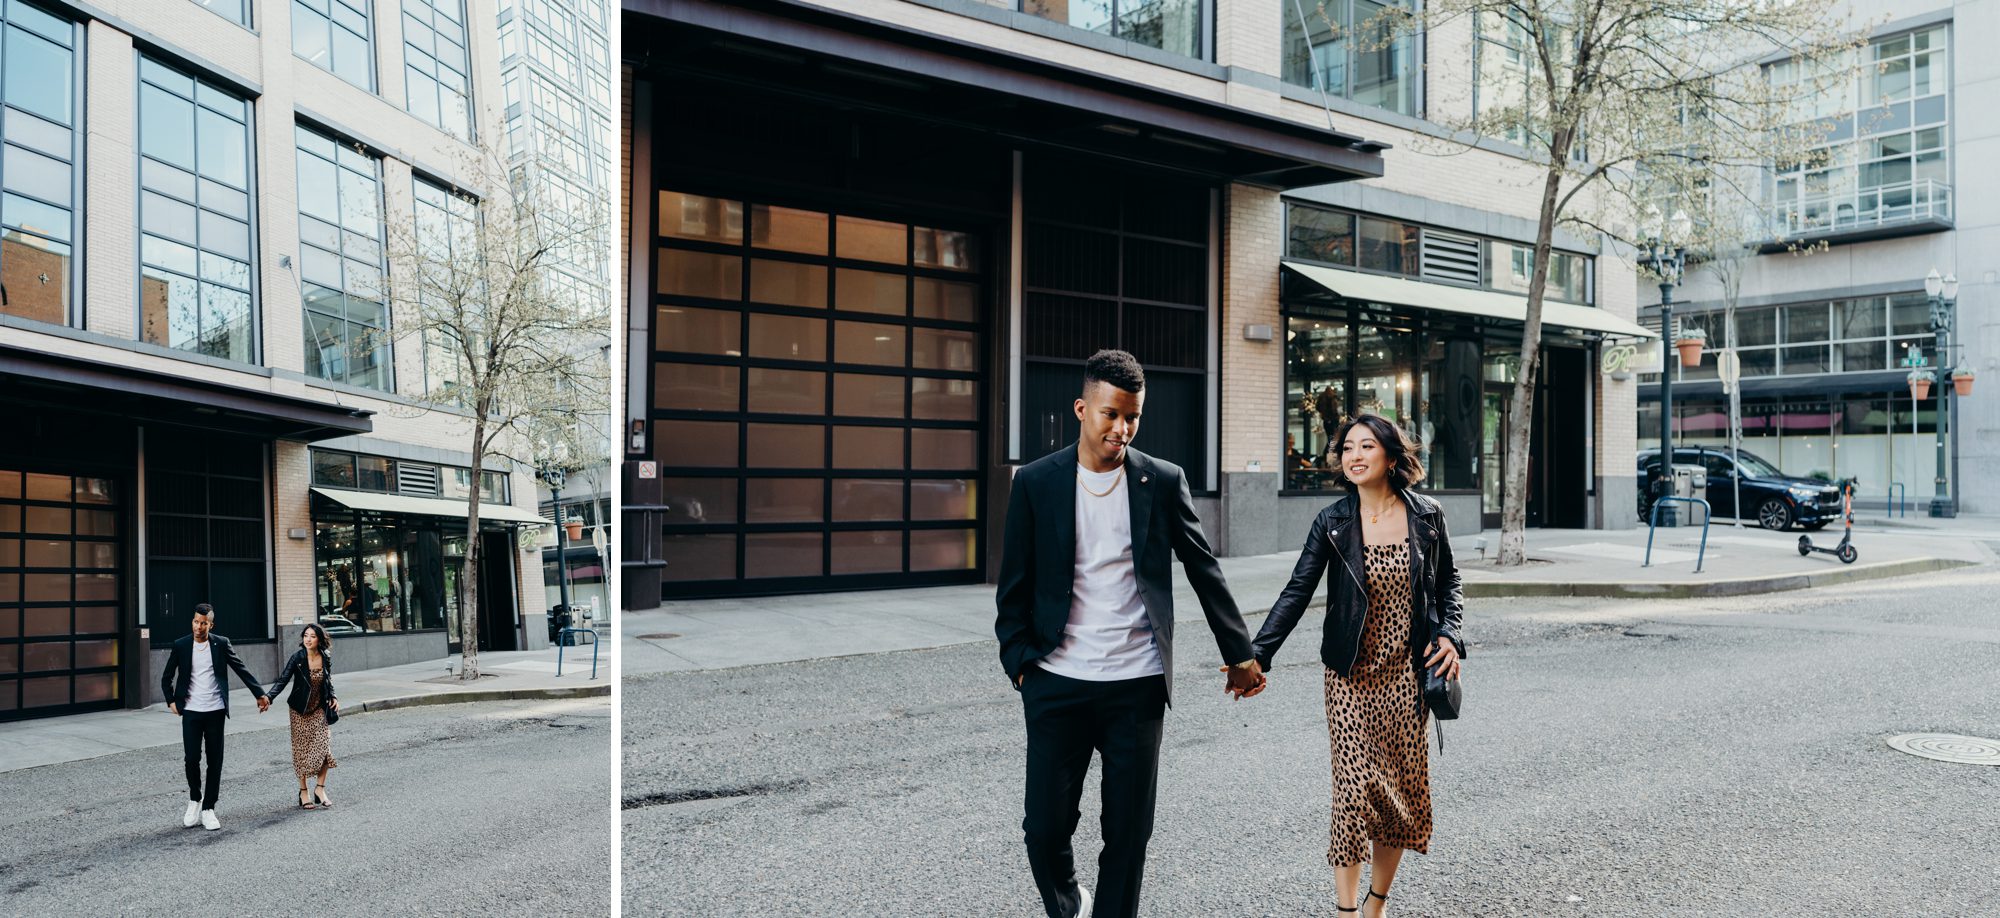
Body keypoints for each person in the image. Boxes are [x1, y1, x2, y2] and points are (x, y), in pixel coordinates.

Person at [995, 348, 1266, 918]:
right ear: (1081, 408)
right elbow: (1012, 585)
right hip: (1056, 680)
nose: (1122, 428)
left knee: (1127, 833)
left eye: (1133, 417)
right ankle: (1070, 906)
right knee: (1043, 830)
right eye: (1111, 414)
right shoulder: (1037, 483)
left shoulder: (1161, 481)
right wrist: (1020, 661)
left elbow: (1202, 566)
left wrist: (1240, 652)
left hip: (1137, 686)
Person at [1250, 413, 1465, 917]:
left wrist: (1452, 636)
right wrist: (1257, 656)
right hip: (1349, 676)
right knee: (1353, 792)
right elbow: (1297, 590)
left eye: (1367, 446)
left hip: (1407, 676)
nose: (1354, 455)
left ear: (1391, 456)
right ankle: (1346, 912)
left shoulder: (1427, 516)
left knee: (1397, 796)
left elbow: (1450, 584)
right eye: (1347, 448)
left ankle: (1377, 904)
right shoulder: (1333, 521)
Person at [160, 603, 271, 831]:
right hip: (190, 711)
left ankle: (209, 808)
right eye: (195, 622)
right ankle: (194, 800)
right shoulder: (181, 645)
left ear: (211, 624)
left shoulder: (221, 644)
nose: (198, 627)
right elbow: (166, 676)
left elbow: (240, 668)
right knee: (191, 759)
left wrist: (259, 693)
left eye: (203, 623)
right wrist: (171, 701)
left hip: (215, 711)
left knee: (214, 761)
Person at [268, 622, 340, 810]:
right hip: (299, 710)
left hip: (318, 709)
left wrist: (333, 696)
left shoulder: (325, 656)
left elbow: (328, 679)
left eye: (312, 636)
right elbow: (283, 680)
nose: (308, 639)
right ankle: (303, 791)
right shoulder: (298, 658)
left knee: (324, 749)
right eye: (305, 635)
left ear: (319, 639)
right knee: (301, 751)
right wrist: (268, 697)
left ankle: (320, 788)